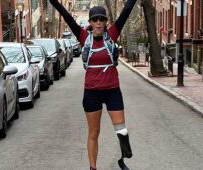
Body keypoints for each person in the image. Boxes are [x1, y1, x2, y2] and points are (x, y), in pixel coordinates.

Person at [49, 0, 137, 169]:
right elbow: (66, 16)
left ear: (105, 23)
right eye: (95, 19)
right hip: (92, 93)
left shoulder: (112, 34)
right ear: (90, 23)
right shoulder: (84, 37)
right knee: (94, 133)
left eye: (101, 19)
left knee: (121, 129)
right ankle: (93, 167)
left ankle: (124, 156)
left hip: (112, 91)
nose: (98, 23)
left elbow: (126, 11)